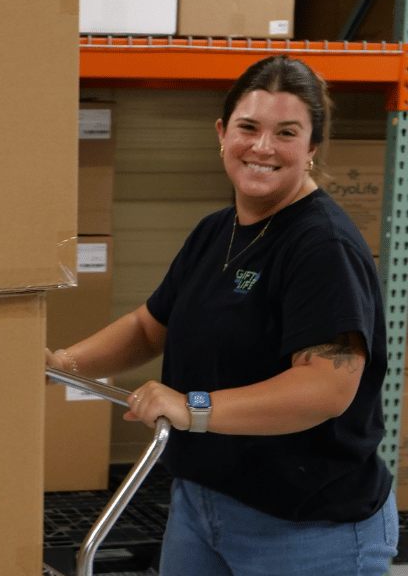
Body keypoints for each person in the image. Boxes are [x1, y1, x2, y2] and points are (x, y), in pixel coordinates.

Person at [46, 54, 398, 576]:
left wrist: (194, 407)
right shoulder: (216, 231)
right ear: (221, 132)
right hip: (202, 507)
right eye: (248, 127)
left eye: (286, 132)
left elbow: (326, 388)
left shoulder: (321, 246)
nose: (262, 147)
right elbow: (149, 326)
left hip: (306, 529)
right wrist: (58, 364)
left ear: (312, 147)